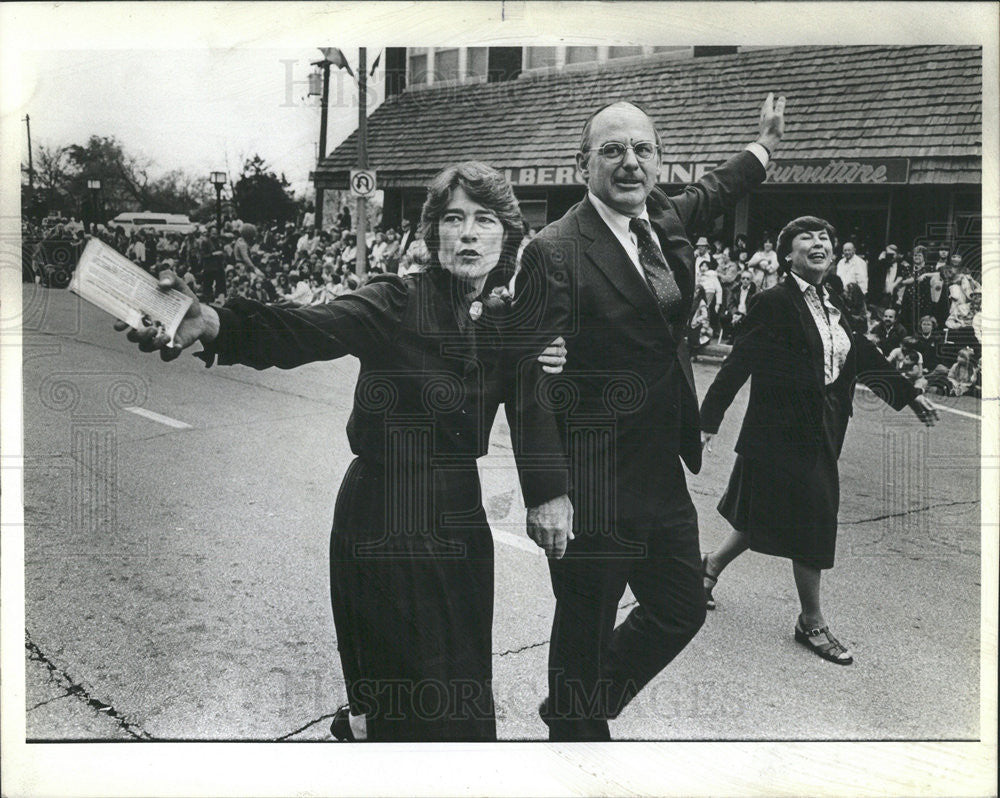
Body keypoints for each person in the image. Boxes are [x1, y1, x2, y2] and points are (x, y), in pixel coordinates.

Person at [114, 161, 571, 742]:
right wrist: (212, 323)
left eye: (485, 220)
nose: (469, 233)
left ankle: (365, 729)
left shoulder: (509, 323)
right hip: (383, 517)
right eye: (454, 219)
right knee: (407, 709)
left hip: (460, 520)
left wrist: (550, 475)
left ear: (507, 234)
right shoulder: (394, 302)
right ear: (433, 235)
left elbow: (541, 402)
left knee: (463, 694)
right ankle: (367, 730)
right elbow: (303, 329)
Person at [518, 93, 786, 741]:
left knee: (680, 607)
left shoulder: (662, 215)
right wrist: (547, 491)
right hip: (591, 481)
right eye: (612, 150)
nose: (629, 162)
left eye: (642, 149)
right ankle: (577, 738)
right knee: (585, 623)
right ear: (582, 164)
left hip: (660, 469)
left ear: (658, 161)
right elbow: (528, 383)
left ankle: (574, 707)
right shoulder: (553, 251)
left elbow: (716, 190)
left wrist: (765, 147)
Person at [699, 216, 938, 665]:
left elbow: (860, 352)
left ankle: (708, 568)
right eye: (806, 237)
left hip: (825, 426)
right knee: (815, 517)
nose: (820, 243)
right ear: (787, 253)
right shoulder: (773, 301)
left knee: (759, 516)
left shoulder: (836, 298)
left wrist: (907, 396)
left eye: (825, 237)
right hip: (778, 432)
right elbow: (739, 362)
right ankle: (811, 621)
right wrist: (707, 421)